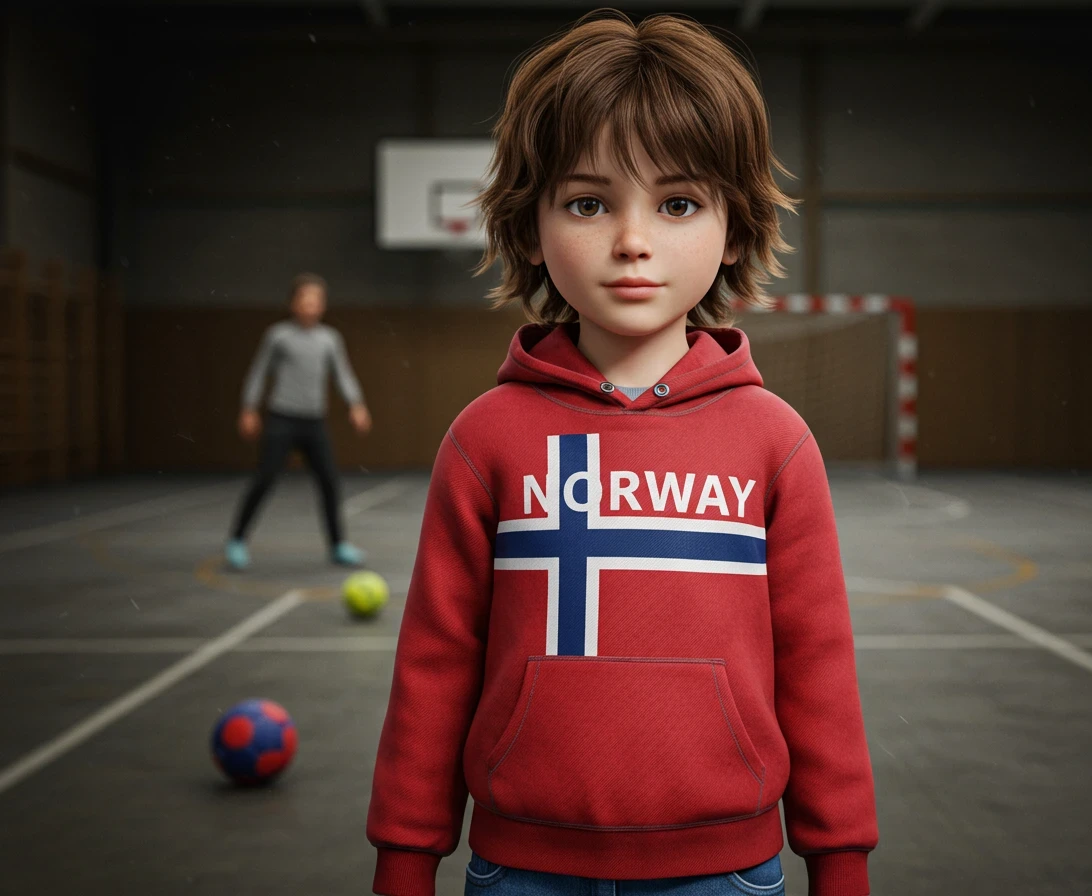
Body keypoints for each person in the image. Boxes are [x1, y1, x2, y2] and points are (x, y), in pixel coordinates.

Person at [367, 10, 878, 896]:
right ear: (530, 226)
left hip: (726, 872)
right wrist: (406, 858)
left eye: (678, 204)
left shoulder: (776, 443)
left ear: (736, 226)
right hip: (520, 869)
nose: (632, 239)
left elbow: (818, 668)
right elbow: (435, 665)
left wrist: (839, 860)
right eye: (588, 203)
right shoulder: (485, 439)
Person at [225, 272, 372, 570]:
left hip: (314, 422)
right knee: (265, 478)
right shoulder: (278, 336)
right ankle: (237, 539)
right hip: (282, 419)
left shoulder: (329, 339)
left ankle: (338, 545)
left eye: (317, 300)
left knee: (329, 482)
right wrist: (249, 408)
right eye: (305, 299)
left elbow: (342, 374)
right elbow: (258, 373)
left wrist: (356, 404)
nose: (311, 305)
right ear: (293, 303)